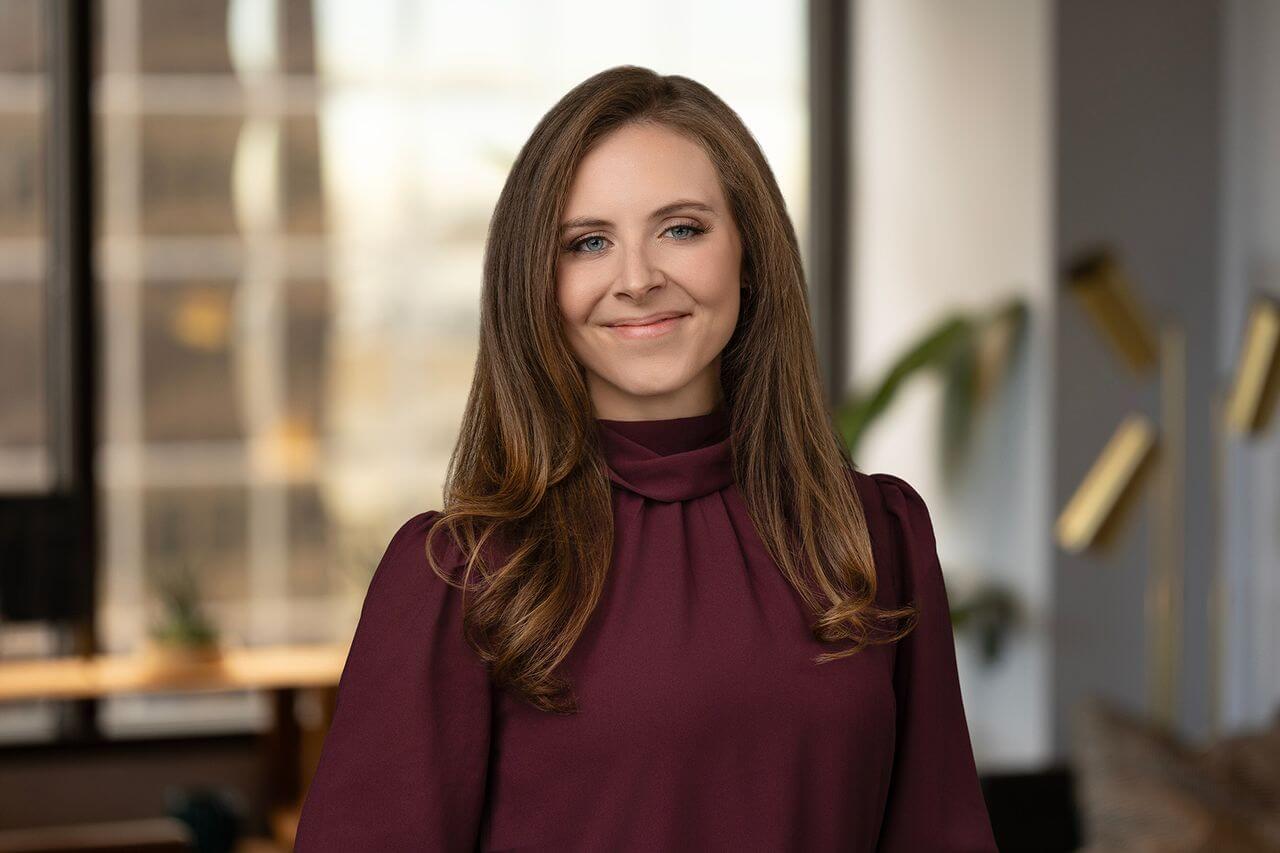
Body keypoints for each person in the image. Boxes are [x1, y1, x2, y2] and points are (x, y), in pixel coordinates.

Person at [293, 64, 998, 852]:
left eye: (681, 228)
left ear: (750, 255)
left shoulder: (875, 535)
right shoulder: (460, 575)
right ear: (536, 281)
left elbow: (942, 833)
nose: (637, 279)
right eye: (588, 242)